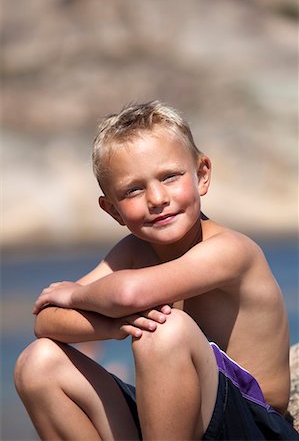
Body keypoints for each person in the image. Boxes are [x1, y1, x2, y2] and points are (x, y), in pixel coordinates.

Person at [14, 101, 298, 440]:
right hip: (180, 422)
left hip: (252, 426)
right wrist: (117, 324)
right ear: (112, 210)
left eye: (170, 177)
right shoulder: (133, 251)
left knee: (165, 332)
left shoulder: (231, 251)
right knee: (38, 363)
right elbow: (45, 321)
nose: (156, 198)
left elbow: (128, 293)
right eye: (133, 190)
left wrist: (75, 294)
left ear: (202, 174)